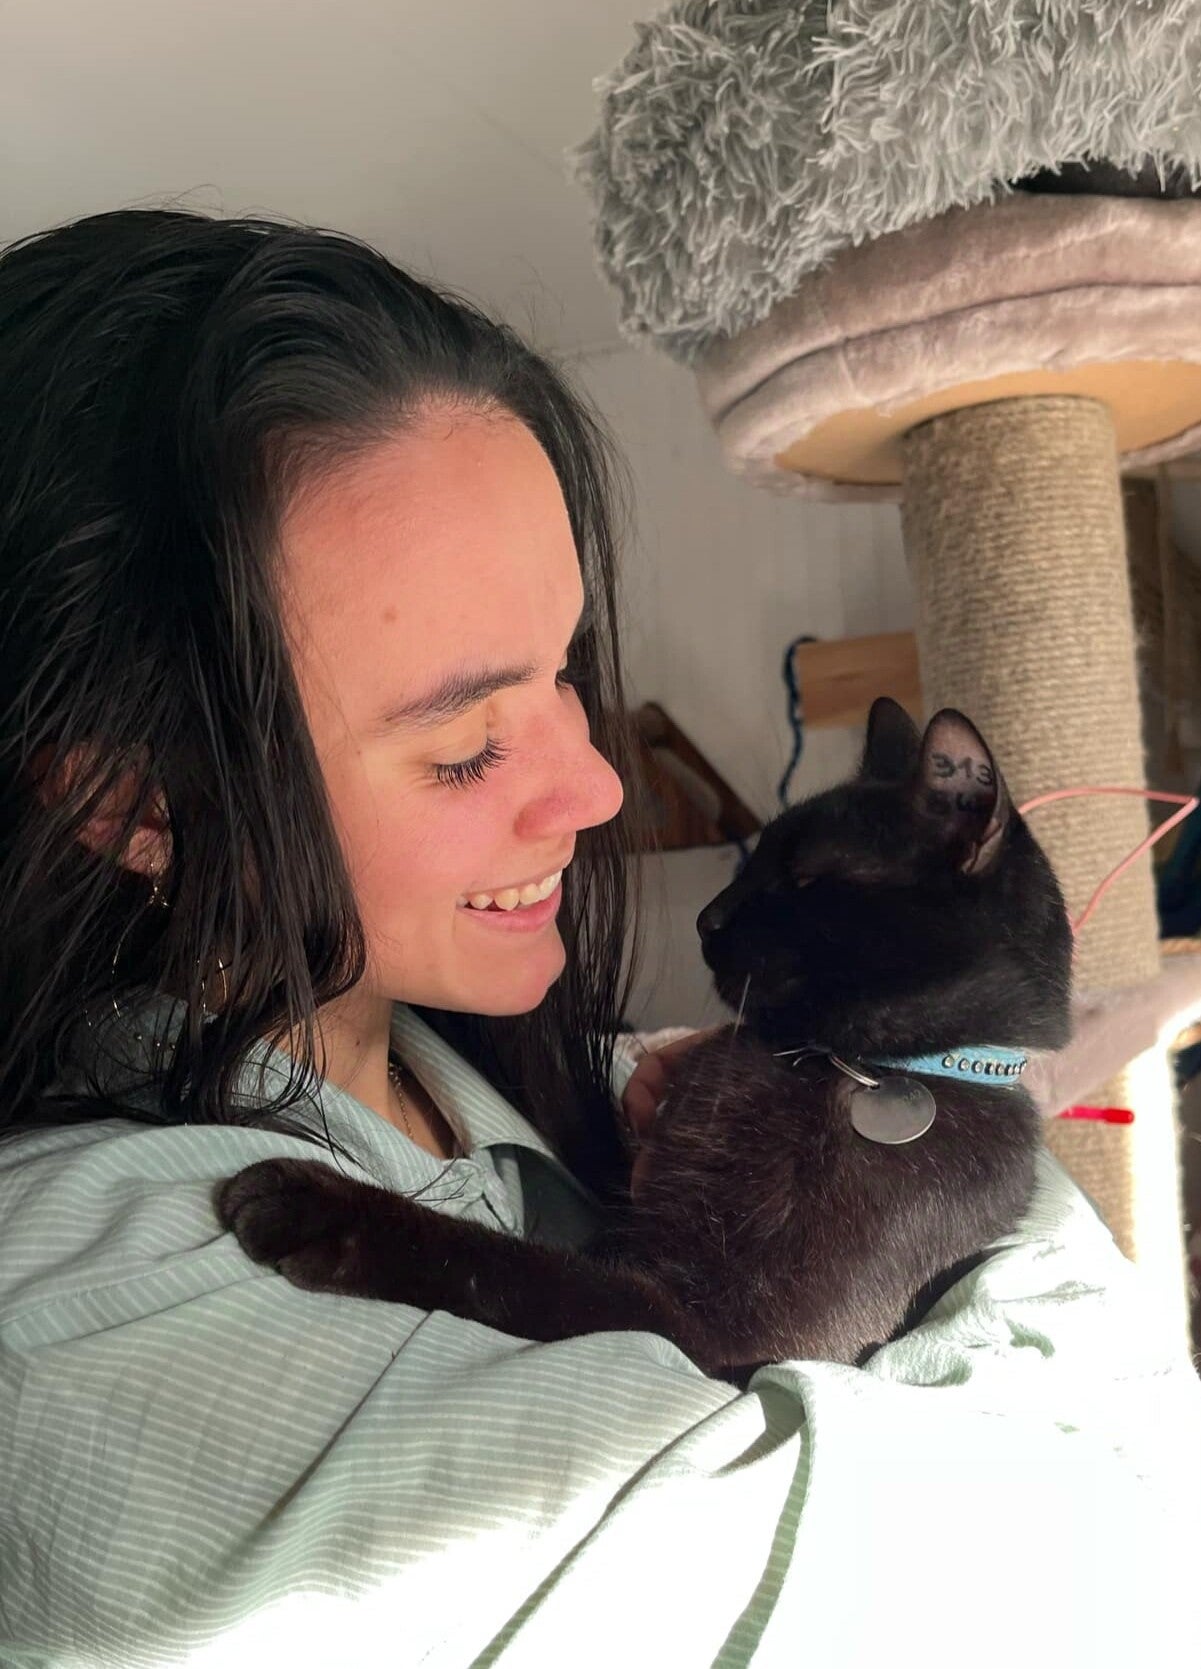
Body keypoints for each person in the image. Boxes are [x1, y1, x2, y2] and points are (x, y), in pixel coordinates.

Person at [0, 209, 1196, 1669]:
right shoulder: (92, 1318)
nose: (598, 788)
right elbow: (1114, 1571)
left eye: (564, 673)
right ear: (135, 803)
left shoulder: (558, 1092)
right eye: (463, 746)